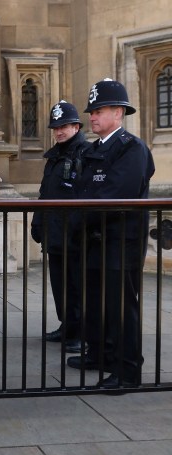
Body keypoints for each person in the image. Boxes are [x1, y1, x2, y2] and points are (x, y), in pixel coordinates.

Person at [66, 79, 155, 389]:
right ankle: (100, 354)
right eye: (91, 111)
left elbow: (116, 193)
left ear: (118, 112)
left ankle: (127, 369)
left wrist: (79, 215)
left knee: (120, 306)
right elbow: (81, 190)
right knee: (94, 302)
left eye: (99, 111)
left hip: (121, 242)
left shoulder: (133, 148)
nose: (92, 117)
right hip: (94, 240)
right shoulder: (94, 149)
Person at [31, 101, 91, 352]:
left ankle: (82, 334)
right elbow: (45, 194)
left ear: (76, 126)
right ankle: (67, 325)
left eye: (64, 126)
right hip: (55, 234)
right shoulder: (54, 157)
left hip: (76, 236)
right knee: (60, 284)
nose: (59, 131)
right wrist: (37, 222)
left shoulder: (86, 153)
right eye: (56, 127)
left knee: (79, 285)